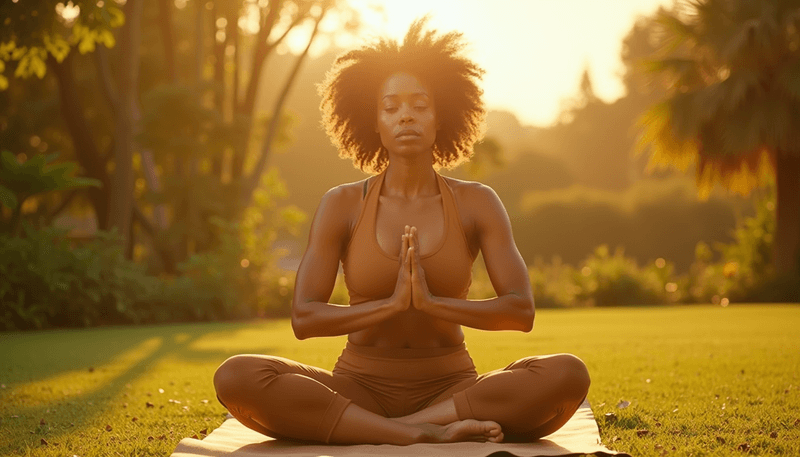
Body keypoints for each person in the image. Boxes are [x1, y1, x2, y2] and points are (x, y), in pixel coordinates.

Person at [213, 18, 590, 446]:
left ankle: (403, 429)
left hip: (453, 391)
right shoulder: (342, 204)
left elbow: (521, 311)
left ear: (440, 114)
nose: (405, 115)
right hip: (359, 388)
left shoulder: (476, 202)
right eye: (390, 107)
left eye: (419, 105)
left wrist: (433, 304)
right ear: (373, 120)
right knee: (238, 375)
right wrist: (390, 306)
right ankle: (421, 434)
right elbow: (304, 317)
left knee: (566, 373)